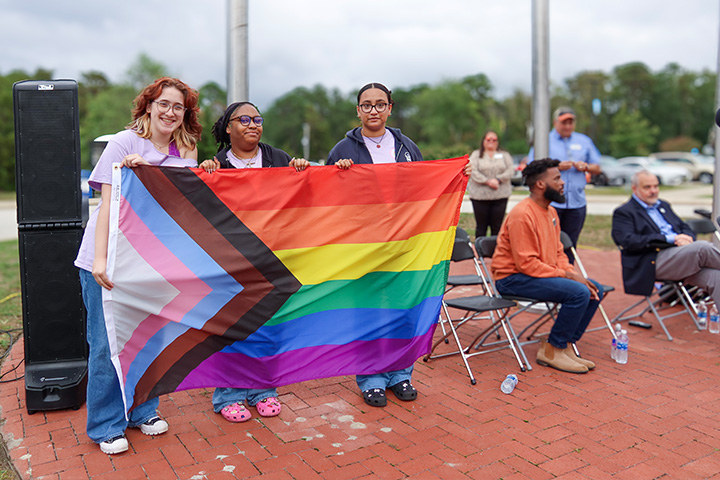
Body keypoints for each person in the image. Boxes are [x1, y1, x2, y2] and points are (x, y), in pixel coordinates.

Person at [74, 77, 202, 454]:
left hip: (152, 264)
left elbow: (180, 208)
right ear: (149, 105)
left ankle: (142, 410)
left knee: (149, 339)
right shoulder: (124, 142)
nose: (170, 112)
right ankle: (105, 424)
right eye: (163, 104)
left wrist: (152, 174)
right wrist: (100, 260)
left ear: (184, 115)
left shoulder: (186, 148)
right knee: (106, 343)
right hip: (109, 260)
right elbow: (107, 205)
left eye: (178, 107)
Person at [327, 82, 471, 407]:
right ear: (358, 110)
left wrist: (457, 173)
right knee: (369, 311)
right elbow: (328, 200)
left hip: (405, 245)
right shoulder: (342, 151)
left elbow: (425, 188)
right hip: (363, 246)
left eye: (380, 104)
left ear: (390, 108)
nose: (373, 111)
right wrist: (337, 174)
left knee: (403, 308)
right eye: (367, 105)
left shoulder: (407, 147)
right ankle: (371, 377)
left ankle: (400, 373)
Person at [199, 101, 309, 422]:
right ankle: (229, 394)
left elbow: (307, 196)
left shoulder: (280, 160)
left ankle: (263, 389)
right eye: (243, 119)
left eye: (257, 119)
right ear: (228, 127)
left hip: (272, 258)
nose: (252, 124)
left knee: (267, 325)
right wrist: (205, 177)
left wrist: (302, 170)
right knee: (232, 326)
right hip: (231, 261)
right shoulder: (215, 166)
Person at [491, 158, 603, 374]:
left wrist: (570, 273)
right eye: (557, 178)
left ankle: (564, 345)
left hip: (536, 274)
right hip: (512, 279)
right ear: (541, 184)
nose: (563, 183)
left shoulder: (550, 212)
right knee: (579, 293)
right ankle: (554, 349)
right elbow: (526, 264)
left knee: (592, 289)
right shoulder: (522, 214)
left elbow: (559, 252)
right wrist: (568, 277)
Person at [611, 170, 720, 305]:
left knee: (717, 278)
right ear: (634, 188)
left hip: (681, 256)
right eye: (647, 187)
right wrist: (670, 239)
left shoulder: (663, 205)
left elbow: (684, 226)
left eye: (656, 186)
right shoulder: (624, 212)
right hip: (652, 261)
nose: (653, 191)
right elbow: (628, 241)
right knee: (702, 248)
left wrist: (686, 238)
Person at [528, 107, 602, 250]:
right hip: (551, 203)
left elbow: (598, 167)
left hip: (576, 203)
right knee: (548, 243)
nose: (567, 126)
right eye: (563, 123)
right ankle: (550, 272)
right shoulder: (544, 140)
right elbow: (532, 166)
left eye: (570, 123)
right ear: (555, 123)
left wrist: (585, 166)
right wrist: (556, 166)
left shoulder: (584, 141)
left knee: (570, 245)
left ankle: (567, 270)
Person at [467, 131, 514, 237]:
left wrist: (498, 180)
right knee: (481, 226)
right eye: (488, 139)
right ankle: (480, 251)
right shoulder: (476, 155)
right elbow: (472, 170)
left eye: (494, 140)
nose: (491, 142)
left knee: (497, 227)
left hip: (500, 196)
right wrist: (487, 181)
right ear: (483, 141)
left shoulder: (504, 155)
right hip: (480, 197)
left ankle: (496, 251)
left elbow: (510, 170)